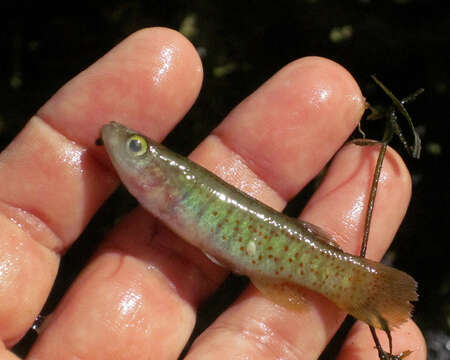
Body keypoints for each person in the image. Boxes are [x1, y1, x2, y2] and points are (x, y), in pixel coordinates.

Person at [0, 27, 425, 359]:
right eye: (135, 145)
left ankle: (355, 285)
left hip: (273, 248)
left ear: (152, 167)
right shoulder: (156, 187)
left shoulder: (160, 182)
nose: (120, 141)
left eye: (135, 147)